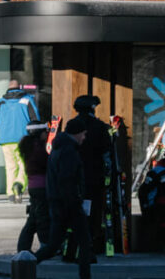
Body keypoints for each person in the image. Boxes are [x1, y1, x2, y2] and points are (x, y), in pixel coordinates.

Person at [33, 118, 94, 279]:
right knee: (84, 242)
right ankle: (85, 276)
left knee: (53, 245)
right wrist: (74, 203)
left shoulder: (59, 148)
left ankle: (26, 265)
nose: (84, 138)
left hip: (58, 203)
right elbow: (67, 180)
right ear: (78, 133)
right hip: (69, 204)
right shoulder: (69, 151)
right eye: (83, 134)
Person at [67, 95, 112, 256]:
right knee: (93, 213)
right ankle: (89, 245)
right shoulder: (100, 127)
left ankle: (73, 246)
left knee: (77, 213)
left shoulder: (71, 125)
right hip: (94, 177)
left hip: (74, 178)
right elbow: (107, 154)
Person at [0, 79, 40, 202]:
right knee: (23, 165)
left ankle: (11, 194)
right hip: (23, 138)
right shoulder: (27, 100)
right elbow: (35, 119)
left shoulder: (1, 102)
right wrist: (37, 136)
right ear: (20, 87)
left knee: (10, 166)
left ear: (8, 88)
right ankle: (19, 185)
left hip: (5, 139)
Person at [16, 121, 50, 252]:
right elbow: (46, 164)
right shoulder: (38, 148)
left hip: (34, 186)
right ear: (38, 133)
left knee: (33, 219)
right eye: (45, 132)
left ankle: (24, 247)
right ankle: (45, 245)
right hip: (41, 187)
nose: (47, 134)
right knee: (41, 218)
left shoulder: (28, 146)